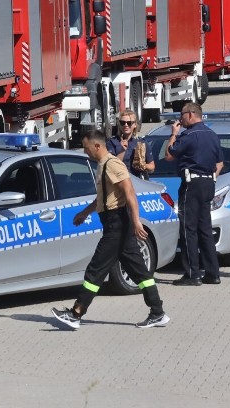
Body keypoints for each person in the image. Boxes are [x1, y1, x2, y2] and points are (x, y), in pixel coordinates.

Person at [51, 129, 169, 330]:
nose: (85, 152)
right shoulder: (102, 165)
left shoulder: (112, 164)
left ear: (98, 146)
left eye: (87, 148)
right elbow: (104, 197)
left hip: (118, 224)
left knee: (96, 269)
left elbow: (130, 192)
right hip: (113, 222)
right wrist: (85, 213)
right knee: (138, 270)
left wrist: (136, 221)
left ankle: (76, 312)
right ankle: (157, 312)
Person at [165, 102, 224, 286]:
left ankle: (193, 274)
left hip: (192, 184)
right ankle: (213, 273)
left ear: (190, 115)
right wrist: (211, 177)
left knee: (188, 228)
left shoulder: (188, 135)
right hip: (208, 183)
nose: (180, 119)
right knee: (205, 228)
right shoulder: (212, 135)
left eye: (182, 115)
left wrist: (173, 134)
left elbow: (169, 155)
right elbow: (220, 163)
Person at [106, 109, 155, 179]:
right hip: (120, 181)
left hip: (138, 181)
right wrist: (122, 151)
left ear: (134, 125)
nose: (126, 125)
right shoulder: (111, 142)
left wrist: (142, 165)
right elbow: (111, 166)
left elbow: (152, 167)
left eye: (129, 123)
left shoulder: (141, 143)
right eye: (123, 123)